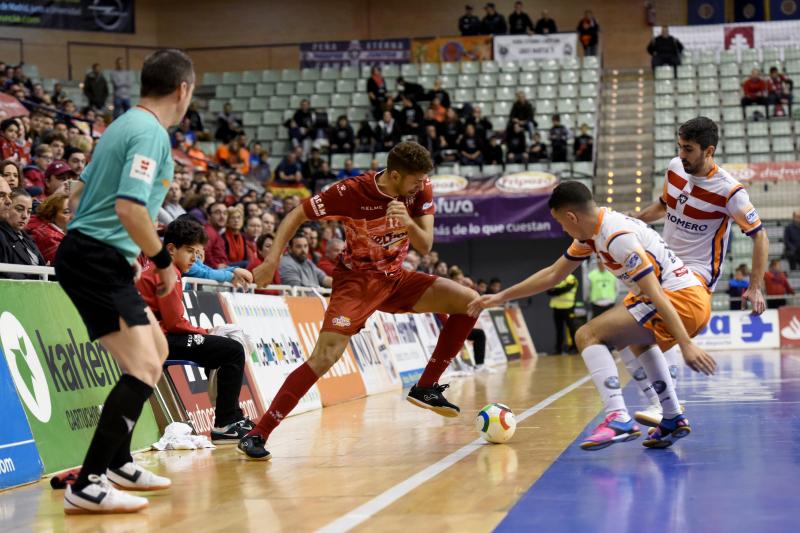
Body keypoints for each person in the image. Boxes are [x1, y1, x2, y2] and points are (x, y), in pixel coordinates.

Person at [241, 142, 481, 460]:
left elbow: (425, 245)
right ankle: (258, 433)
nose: (420, 186)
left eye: (423, 180)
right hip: (356, 283)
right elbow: (296, 214)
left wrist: (408, 222)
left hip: (395, 280)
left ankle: (426, 386)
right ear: (394, 175)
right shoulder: (350, 192)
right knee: (325, 356)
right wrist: (272, 260)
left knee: (470, 302)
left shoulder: (420, 188)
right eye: (414, 181)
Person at [469, 181, 717, 450]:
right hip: (686, 299)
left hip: (681, 300)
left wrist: (685, 343)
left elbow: (656, 292)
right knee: (631, 338)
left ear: (571, 217)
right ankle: (671, 417)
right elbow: (553, 274)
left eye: (561, 223)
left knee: (587, 334)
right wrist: (500, 297)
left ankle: (618, 418)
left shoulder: (615, 236)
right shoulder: (592, 233)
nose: (563, 230)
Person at [54, 49, 194, 514]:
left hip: (100, 256)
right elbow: (130, 208)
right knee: (142, 367)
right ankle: (88, 483)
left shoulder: (122, 124)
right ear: (183, 90)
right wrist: (161, 261)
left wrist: (121, 250)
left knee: (156, 352)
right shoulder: (151, 133)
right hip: (94, 259)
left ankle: (118, 463)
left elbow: (80, 189)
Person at [632, 116, 768, 427]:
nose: (682, 154)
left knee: (652, 326)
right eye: (680, 147)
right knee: (631, 334)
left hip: (696, 273)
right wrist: (633, 223)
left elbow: (760, 235)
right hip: (663, 261)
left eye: (689, 149)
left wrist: (755, 286)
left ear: (709, 151)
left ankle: (664, 405)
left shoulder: (730, 192)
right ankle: (668, 418)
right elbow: (664, 206)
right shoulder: (675, 168)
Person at [136, 217, 254, 443]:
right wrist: (205, 332)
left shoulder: (164, 267)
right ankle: (226, 422)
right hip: (159, 341)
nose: (195, 258)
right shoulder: (167, 272)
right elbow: (175, 324)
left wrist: (203, 334)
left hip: (155, 338)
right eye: (190, 251)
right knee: (233, 350)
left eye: (198, 252)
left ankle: (231, 417)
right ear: (171, 249)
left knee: (222, 350)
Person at [0, 189, 45, 278]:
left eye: (29, 211)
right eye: (19, 209)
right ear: (7, 206)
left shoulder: (28, 238)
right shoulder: (1, 236)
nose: (25, 216)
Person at [547, 272, 578, 354]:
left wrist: (555, 290)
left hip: (568, 307)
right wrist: (556, 291)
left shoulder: (571, 278)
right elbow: (548, 291)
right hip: (556, 307)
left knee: (572, 329)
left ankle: (574, 348)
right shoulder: (556, 277)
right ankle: (558, 349)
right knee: (559, 330)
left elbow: (566, 289)